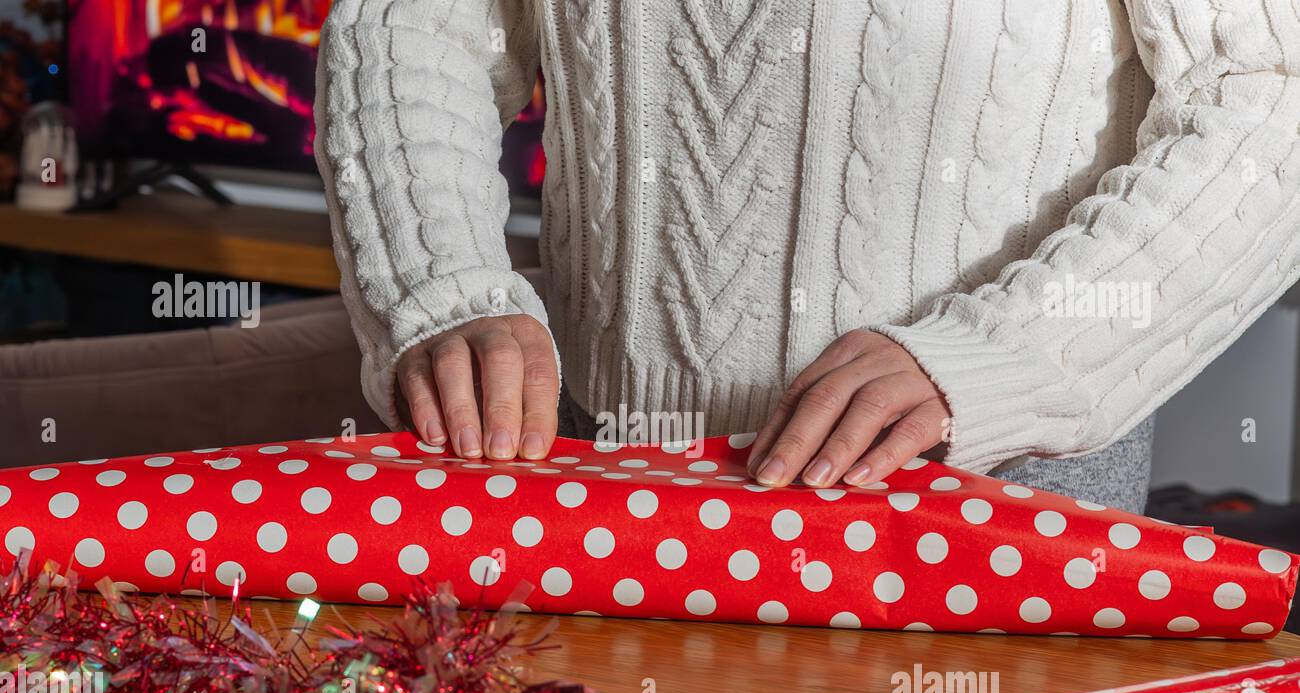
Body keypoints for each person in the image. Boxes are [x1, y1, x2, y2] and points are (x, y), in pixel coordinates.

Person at [315, 0, 1300, 515]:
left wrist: (1003, 350)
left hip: (992, 482)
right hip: (595, 461)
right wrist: (436, 280)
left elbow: (1271, 97)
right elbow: (413, 24)